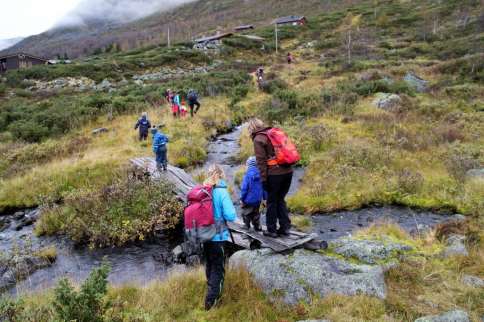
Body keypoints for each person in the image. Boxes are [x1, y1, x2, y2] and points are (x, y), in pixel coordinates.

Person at [248, 118, 293, 238]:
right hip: (288, 171)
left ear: (251, 128)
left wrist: (263, 180)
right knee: (280, 199)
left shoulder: (258, 139)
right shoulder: (273, 132)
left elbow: (261, 162)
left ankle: (271, 230)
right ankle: (285, 227)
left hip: (275, 174)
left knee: (272, 202)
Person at [203, 164, 237, 310]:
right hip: (218, 237)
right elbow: (231, 215)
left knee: (210, 265)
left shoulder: (203, 190)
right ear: (221, 175)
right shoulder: (222, 192)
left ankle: (210, 289)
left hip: (204, 236)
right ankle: (211, 303)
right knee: (218, 269)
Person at [239, 156, 264, 231]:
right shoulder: (262, 174)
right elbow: (265, 188)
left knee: (245, 213)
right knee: (256, 213)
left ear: (249, 165)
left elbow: (244, 189)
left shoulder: (247, 175)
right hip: (258, 200)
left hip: (248, 200)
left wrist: (242, 198)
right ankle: (257, 226)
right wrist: (265, 199)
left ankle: (246, 225)